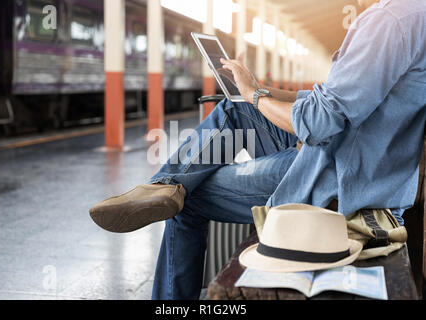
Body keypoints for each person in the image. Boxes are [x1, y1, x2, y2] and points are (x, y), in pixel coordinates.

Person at [89, 0, 426, 300]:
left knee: (185, 200)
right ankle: (165, 186)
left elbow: (321, 121)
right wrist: (259, 91)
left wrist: (254, 93)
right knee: (236, 108)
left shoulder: (389, 20)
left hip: (334, 178)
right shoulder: (413, 14)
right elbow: (330, 100)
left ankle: (168, 194)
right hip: (362, 164)